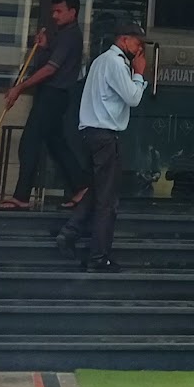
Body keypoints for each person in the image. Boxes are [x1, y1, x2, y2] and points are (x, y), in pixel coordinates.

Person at [55, 20, 147, 273]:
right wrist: (139, 74)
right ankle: (98, 257)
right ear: (124, 39)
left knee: (98, 190)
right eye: (137, 43)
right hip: (105, 135)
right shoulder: (116, 63)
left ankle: (70, 232)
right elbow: (133, 98)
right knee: (107, 201)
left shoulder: (100, 61)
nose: (140, 49)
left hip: (91, 133)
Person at [0, 0, 87, 211]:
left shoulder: (70, 36)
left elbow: (50, 69)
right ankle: (81, 187)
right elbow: (50, 62)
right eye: (53, 11)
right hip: (53, 95)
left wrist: (19, 87)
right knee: (57, 144)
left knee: (29, 142)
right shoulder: (62, 35)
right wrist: (46, 46)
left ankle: (21, 196)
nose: (54, 16)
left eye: (59, 11)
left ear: (73, 12)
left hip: (53, 95)